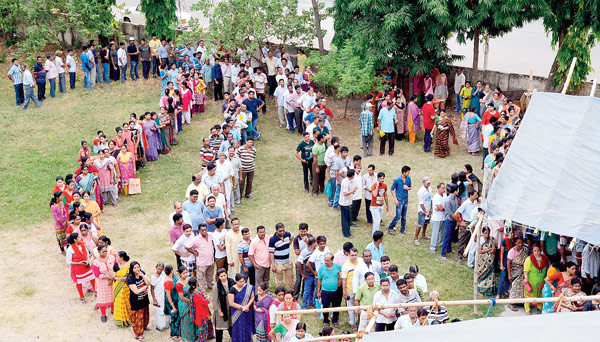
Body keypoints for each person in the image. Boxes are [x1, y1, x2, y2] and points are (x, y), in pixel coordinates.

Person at [65, 232, 96, 303]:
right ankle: (81, 296)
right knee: (79, 281)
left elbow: (87, 254)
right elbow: (68, 261)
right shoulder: (70, 250)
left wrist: (88, 259)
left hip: (86, 265)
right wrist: (78, 263)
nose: (80, 238)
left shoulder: (82, 244)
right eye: (78, 237)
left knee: (91, 277)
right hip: (78, 268)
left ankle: (96, 291)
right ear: (75, 240)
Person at [185, 224, 215, 291]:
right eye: (202, 230)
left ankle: (210, 285)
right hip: (202, 262)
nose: (204, 231)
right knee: (201, 277)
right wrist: (194, 252)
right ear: (199, 231)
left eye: (205, 230)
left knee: (210, 275)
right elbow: (187, 246)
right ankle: (202, 289)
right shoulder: (196, 239)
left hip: (210, 260)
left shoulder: (210, 235)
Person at [92, 244, 116, 322]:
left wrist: (112, 276)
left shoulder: (111, 258)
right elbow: (97, 274)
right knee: (102, 298)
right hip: (102, 283)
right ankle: (103, 314)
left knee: (113, 295)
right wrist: (107, 277)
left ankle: (113, 310)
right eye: (103, 252)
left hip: (112, 280)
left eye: (106, 251)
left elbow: (116, 267)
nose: (105, 253)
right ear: (99, 252)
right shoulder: (96, 262)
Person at [317, 253, 342, 328]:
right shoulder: (321, 268)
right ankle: (325, 320)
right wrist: (318, 291)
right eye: (325, 260)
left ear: (332, 260)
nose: (326, 262)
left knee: (336, 306)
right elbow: (319, 280)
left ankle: (335, 320)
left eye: (327, 260)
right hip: (325, 291)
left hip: (336, 291)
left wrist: (340, 280)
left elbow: (344, 273)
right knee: (325, 306)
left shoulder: (337, 267)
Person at [229, 273, 256, 342]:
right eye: (240, 282)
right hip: (237, 312)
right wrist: (242, 307)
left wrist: (247, 306)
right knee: (238, 328)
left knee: (247, 327)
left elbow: (252, 298)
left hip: (247, 310)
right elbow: (231, 303)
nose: (242, 283)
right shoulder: (232, 289)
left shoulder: (249, 287)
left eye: (243, 281)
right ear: (236, 281)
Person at [523, 243, 549, 314]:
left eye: (538, 250)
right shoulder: (529, 259)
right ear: (532, 251)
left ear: (541, 250)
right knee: (528, 295)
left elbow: (548, 268)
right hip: (531, 281)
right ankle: (527, 309)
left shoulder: (545, 258)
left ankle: (540, 307)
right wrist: (526, 278)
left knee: (540, 294)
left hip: (541, 282)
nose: (536, 252)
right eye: (535, 251)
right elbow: (526, 270)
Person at [270, 222, 294, 290]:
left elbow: (292, 237)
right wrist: (273, 265)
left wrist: (287, 244)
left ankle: (290, 295)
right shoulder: (272, 240)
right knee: (279, 282)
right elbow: (271, 253)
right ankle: (280, 296)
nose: (282, 232)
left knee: (290, 280)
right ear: (276, 230)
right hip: (278, 264)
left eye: (283, 230)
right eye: (280, 231)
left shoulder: (287, 234)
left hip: (288, 262)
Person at [506, 237, 528, 311]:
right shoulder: (512, 251)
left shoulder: (525, 250)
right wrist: (509, 274)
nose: (520, 244)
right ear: (515, 243)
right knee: (514, 286)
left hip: (523, 271)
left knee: (522, 287)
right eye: (518, 242)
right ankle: (510, 303)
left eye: (522, 242)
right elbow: (508, 263)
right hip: (515, 271)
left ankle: (520, 302)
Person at [388, 166, 411, 234]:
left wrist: (408, 188)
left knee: (404, 216)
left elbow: (410, 187)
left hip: (405, 199)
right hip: (399, 200)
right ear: (404, 172)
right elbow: (392, 189)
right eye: (408, 172)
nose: (409, 173)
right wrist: (395, 199)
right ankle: (391, 227)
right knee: (398, 216)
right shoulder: (397, 180)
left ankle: (402, 229)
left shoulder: (408, 178)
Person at [213, 269, 234, 342]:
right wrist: (219, 311)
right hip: (221, 309)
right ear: (218, 277)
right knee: (219, 328)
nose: (223, 277)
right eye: (221, 276)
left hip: (230, 308)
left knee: (231, 325)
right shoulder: (216, 286)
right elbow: (215, 300)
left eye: (225, 275)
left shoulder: (231, 282)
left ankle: (234, 339)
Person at [191, 277, 214, 342]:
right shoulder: (196, 295)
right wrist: (208, 297)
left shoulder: (198, 290)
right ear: (196, 283)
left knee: (208, 325)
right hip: (201, 314)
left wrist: (205, 295)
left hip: (204, 312)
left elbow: (204, 294)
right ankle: (202, 340)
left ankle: (209, 335)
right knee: (202, 329)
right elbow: (205, 302)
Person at [177, 271, 198, 342]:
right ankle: (188, 337)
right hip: (184, 303)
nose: (186, 274)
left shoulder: (189, 279)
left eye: (186, 272)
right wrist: (191, 301)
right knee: (187, 320)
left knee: (194, 318)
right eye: (183, 273)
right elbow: (182, 297)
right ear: (180, 274)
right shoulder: (178, 284)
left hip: (192, 300)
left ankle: (195, 334)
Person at [476, 227, 497, 296]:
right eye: (485, 233)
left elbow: (495, 248)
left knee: (490, 275)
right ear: (483, 233)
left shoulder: (492, 239)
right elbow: (480, 251)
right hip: (482, 262)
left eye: (488, 233)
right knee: (482, 275)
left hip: (490, 261)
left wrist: (493, 250)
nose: (487, 235)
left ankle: (490, 290)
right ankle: (480, 290)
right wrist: (488, 250)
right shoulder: (481, 240)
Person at [163, 265, 181, 340]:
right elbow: (168, 296)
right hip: (172, 302)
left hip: (176, 299)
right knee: (174, 317)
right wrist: (173, 306)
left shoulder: (173, 277)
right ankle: (173, 334)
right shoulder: (168, 282)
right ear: (171, 271)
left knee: (177, 317)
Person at [414, 177, 432, 245]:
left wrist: (431, 209)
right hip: (422, 211)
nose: (428, 184)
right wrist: (425, 212)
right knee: (420, 224)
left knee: (426, 223)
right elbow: (421, 204)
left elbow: (431, 199)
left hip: (428, 209)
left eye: (429, 183)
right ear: (423, 183)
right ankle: (416, 238)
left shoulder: (430, 188)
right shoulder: (421, 191)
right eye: (427, 183)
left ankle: (424, 234)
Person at [339, 169, 357, 238]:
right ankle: (346, 233)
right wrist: (352, 191)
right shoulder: (345, 182)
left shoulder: (348, 181)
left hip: (347, 202)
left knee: (347, 217)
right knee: (345, 218)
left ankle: (347, 230)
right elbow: (345, 193)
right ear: (352, 176)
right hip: (344, 203)